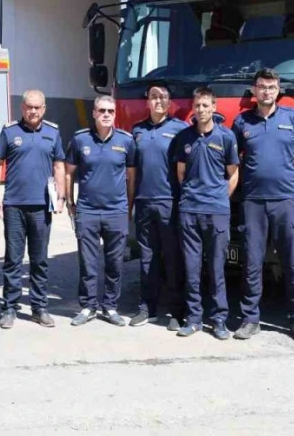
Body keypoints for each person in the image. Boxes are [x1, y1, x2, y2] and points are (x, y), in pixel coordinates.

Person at [230, 68, 294, 343]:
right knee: (252, 263)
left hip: (287, 200)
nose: (266, 91)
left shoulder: (293, 117)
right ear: (254, 91)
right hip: (253, 202)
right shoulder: (242, 121)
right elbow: (232, 159)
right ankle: (250, 319)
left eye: (271, 86)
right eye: (261, 86)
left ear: (278, 89)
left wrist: (292, 172)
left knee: (293, 263)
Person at [0, 89, 66, 329]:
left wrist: (61, 196)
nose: (33, 111)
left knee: (39, 259)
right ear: (22, 108)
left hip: (42, 205)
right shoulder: (9, 132)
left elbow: (59, 165)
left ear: (44, 109)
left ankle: (39, 307)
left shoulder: (53, 133)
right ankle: (9, 308)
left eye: (37, 107)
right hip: (14, 204)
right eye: (29, 107)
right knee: (13, 259)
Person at [65, 95, 137, 327]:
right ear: (94, 113)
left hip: (116, 211)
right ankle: (88, 306)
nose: (106, 114)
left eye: (110, 111)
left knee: (114, 263)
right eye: (102, 110)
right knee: (88, 263)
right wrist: (70, 202)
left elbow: (131, 177)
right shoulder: (80, 140)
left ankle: (110, 307)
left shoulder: (126, 141)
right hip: (87, 211)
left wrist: (129, 205)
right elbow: (69, 173)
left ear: (115, 114)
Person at [174, 86, 240, 339]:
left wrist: (222, 198)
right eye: (197, 105)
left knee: (216, 268)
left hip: (217, 212)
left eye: (205, 105)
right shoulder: (184, 138)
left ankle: (219, 319)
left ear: (214, 107)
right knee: (191, 268)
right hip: (190, 210)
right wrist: (192, 195)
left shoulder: (226, 137)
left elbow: (233, 174)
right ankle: (193, 319)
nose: (201, 110)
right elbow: (181, 174)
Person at [129, 83, 189, 329]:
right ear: (148, 101)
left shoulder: (180, 129)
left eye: (163, 97)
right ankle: (147, 308)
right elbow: (131, 172)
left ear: (169, 101)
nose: (159, 101)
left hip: (169, 202)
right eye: (154, 97)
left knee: (174, 258)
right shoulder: (137, 131)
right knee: (147, 257)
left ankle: (176, 312)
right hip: (144, 202)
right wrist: (130, 202)